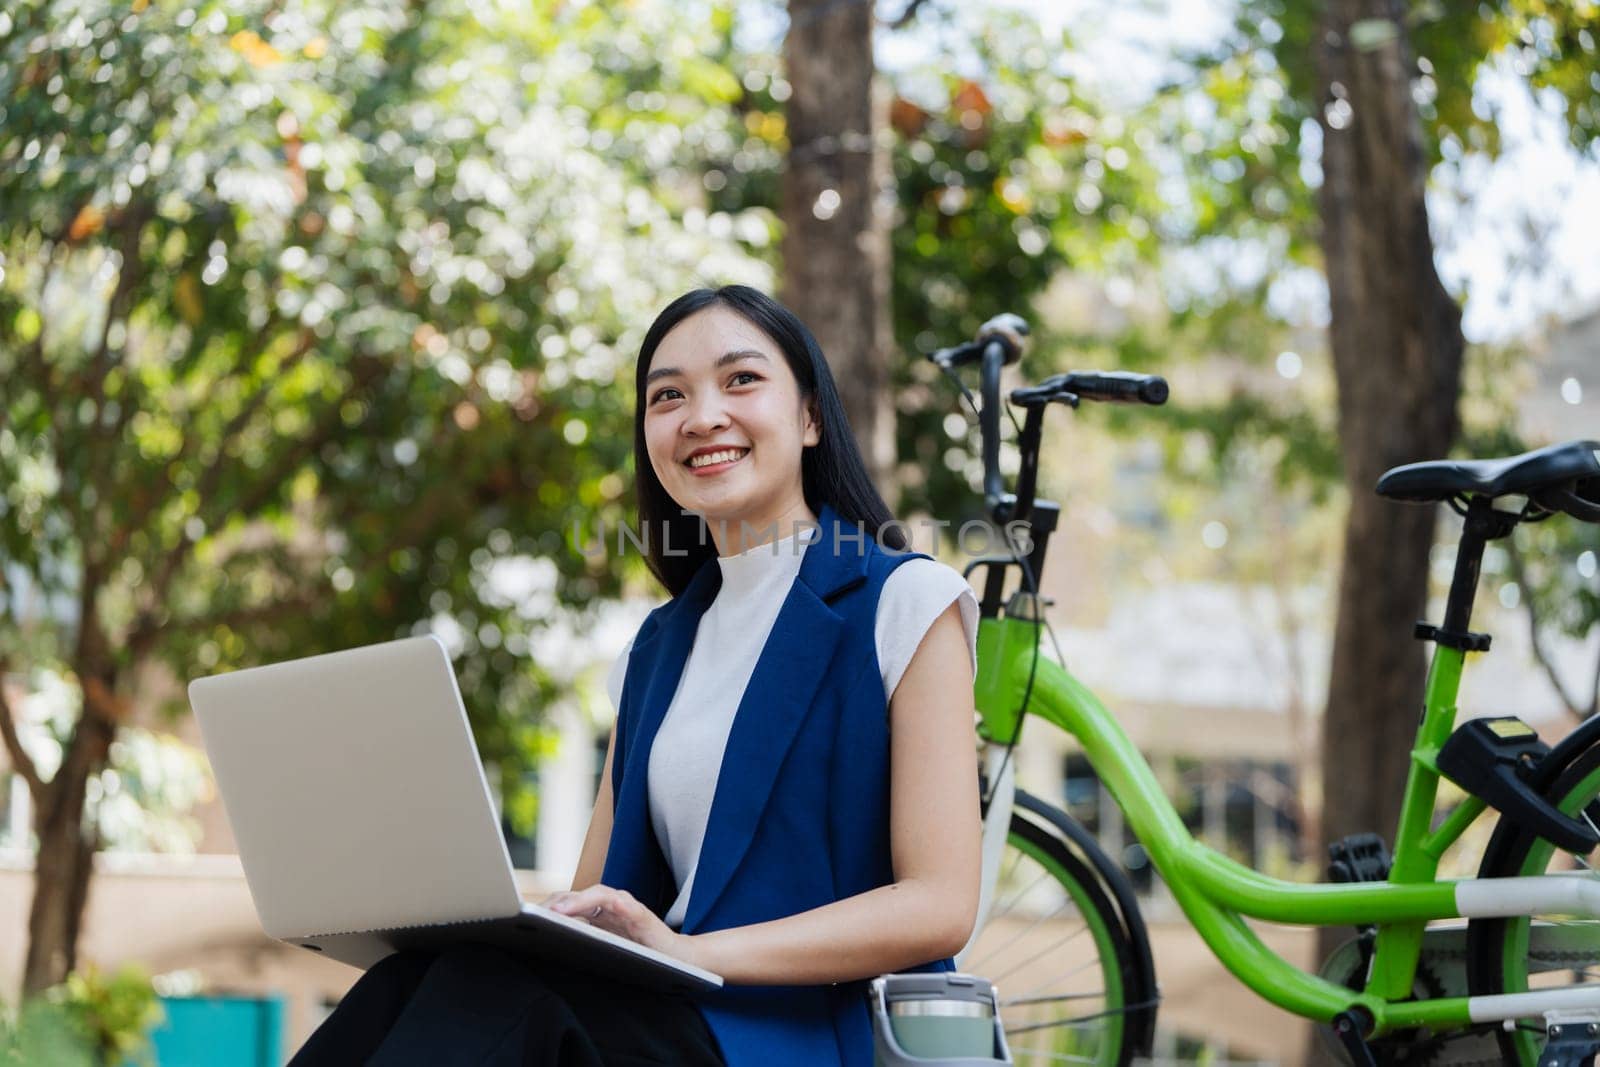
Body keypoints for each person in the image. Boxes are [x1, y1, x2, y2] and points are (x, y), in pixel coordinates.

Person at [289, 284, 982, 1066]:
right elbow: (592, 904)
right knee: (412, 976)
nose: (702, 415)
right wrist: (467, 913)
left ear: (812, 417)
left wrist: (691, 952)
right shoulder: (658, 647)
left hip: (806, 1032)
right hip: (662, 1020)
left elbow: (940, 905)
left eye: (741, 380)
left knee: (498, 996)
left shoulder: (903, 599)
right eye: (668, 396)